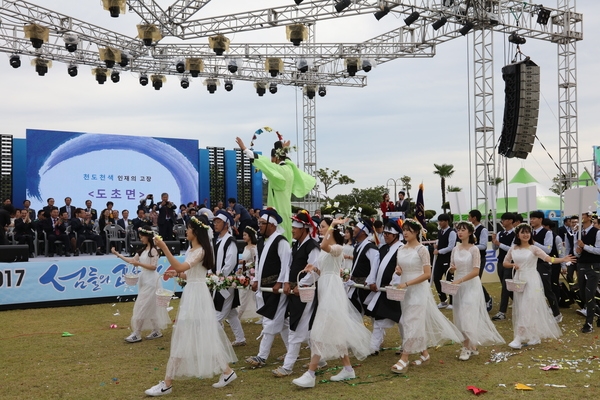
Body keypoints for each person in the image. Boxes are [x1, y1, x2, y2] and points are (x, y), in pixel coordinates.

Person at [145, 216, 238, 396]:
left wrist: (164, 248)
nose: (185, 231)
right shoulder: (193, 249)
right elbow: (188, 273)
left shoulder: (201, 250)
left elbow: (182, 267)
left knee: (185, 335)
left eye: (188, 228)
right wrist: (176, 274)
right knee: (203, 334)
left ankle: (167, 383)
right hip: (194, 294)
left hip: (197, 296)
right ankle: (227, 372)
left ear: (196, 231)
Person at [292, 217, 372, 388]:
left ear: (331, 229)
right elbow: (323, 270)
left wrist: (333, 225)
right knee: (335, 330)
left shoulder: (337, 248)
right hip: (324, 287)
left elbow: (323, 246)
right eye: (320, 227)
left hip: (332, 290)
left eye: (323, 227)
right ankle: (348, 369)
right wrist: (311, 270)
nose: (320, 230)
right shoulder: (326, 250)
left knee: (319, 330)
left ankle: (310, 374)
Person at [391, 219, 463, 374]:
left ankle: (404, 358)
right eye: (404, 230)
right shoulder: (401, 249)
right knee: (412, 321)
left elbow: (427, 274)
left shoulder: (422, 250)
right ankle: (424, 354)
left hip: (418, 290)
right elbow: (400, 269)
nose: (405, 233)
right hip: (405, 290)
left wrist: (407, 283)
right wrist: (398, 272)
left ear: (416, 232)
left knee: (411, 321)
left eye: (409, 230)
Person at [503, 223, 575, 348]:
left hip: (531, 280)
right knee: (521, 307)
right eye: (523, 232)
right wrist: (513, 265)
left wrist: (562, 259)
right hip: (519, 279)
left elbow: (549, 259)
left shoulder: (534, 248)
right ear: (518, 235)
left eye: (528, 232)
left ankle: (519, 338)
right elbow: (505, 262)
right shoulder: (513, 248)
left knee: (527, 307)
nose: (525, 235)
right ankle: (534, 336)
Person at [235, 136, 316, 242]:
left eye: (272, 158)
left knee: (277, 242)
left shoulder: (279, 170)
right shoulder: (290, 169)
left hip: (277, 211)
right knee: (287, 240)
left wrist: (245, 149)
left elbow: (264, 163)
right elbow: (284, 160)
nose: (271, 161)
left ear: (276, 157)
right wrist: (283, 149)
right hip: (286, 210)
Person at [449, 221, 505, 361]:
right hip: (458, 286)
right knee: (460, 315)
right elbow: (452, 266)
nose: (460, 232)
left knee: (468, 315)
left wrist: (460, 280)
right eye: (458, 230)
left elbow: (475, 271)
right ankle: (471, 344)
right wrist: (452, 269)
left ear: (470, 232)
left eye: (463, 230)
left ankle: (466, 347)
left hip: (471, 285)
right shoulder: (455, 249)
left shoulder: (474, 249)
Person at [274, 210, 320, 377]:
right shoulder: (296, 244)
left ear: (304, 229)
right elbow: (289, 265)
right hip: (295, 291)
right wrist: (287, 282)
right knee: (304, 329)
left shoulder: (312, 247)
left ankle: (288, 366)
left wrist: (300, 285)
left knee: (296, 327)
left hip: (306, 292)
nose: (292, 230)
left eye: (294, 227)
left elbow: (314, 271)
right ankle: (320, 360)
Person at [245, 208, 291, 368]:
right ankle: (293, 351)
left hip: (276, 289)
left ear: (271, 225)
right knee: (283, 323)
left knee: (270, 322)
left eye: (262, 224)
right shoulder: (263, 242)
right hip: (265, 288)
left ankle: (261, 356)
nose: (259, 226)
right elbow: (259, 263)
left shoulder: (281, 241)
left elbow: (286, 264)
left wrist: (281, 282)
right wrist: (256, 279)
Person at [111, 226, 170, 343]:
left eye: (142, 236)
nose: (141, 238)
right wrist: (117, 254)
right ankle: (156, 330)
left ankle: (137, 333)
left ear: (148, 237)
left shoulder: (153, 250)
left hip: (152, 281)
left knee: (141, 305)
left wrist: (139, 264)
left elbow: (153, 267)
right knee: (150, 306)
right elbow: (132, 261)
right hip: (144, 280)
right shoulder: (143, 251)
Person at [365, 220, 403, 356]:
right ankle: (373, 347)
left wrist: (394, 284)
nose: (385, 235)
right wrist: (372, 281)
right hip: (382, 290)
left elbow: (401, 269)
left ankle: (406, 345)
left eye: (389, 233)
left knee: (402, 319)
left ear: (396, 235)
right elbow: (375, 267)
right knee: (379, 318)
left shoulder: (401, 248)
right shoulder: (382, 249)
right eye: (385, 233)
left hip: (395, 289)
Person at [211, 210, 246, 347]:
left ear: (226, 224)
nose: (215, 224)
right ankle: (240, 338)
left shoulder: (230, 241)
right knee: (231, 313)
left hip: (225, 282)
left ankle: (218, 344)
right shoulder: (218, 240)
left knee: (216, 317)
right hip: (219, 280)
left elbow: (230, 262)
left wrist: (220, 277)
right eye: (215, 222)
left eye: (218, 222)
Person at [529, 211, 563, 322]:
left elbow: (548, 249)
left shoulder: (547, 233)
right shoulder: (529, 232)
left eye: (534, 218)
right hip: (531, 264)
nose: (532, 220)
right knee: (533, 290)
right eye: (531, 218)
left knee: (547, 289)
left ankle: (557, 313)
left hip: (543, 264)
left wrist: (534, 243)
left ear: (540, 219)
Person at [573, 211, 600, 333]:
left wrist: (584, 246)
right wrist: (578, 251)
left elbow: (598, 250)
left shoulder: (597, 232)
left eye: (582, 215)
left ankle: (588, 323)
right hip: (581, 265)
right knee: (583, 293)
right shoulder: (578, 233)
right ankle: (596, 310)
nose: (580, 218)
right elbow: (576, 251)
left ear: (589, 217)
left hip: (593, 266)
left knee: (590, 293)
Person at [347, 218, 379, 315]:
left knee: (372, 315)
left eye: (356, 227)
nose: (353, 229)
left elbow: (375, 265)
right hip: (356, 285)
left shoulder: (370, 248)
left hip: (365, 286)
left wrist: (371, 281)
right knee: (353, 313)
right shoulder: (358, 246)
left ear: (363, 232)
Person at [491, 212, 516, 321]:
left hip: (510, 263)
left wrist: (499, 244)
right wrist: (494, 242)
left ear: (510, 221)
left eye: (504, 220)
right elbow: (495, 248)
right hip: (500, 261)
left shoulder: (515, 234)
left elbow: (512, 249)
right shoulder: (501, 233)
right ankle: (519, 303)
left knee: (505, 288)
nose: (503, 222)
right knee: (506, 286)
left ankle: (502, 312)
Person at [468, 210, 492, 311]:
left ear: (474, 218)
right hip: (469, 259)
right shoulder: (469, 229)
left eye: (469, 217)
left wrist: (469, 248)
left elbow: (483, 245)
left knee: (475, 280)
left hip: (479, 258)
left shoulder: (482, 230)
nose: (468, 219)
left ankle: (487, 299)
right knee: (470, 281)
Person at [432, 213, 457, 309]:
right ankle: (443, 300)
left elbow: (451, 246)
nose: (440, 223)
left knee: (449, 279)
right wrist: (436, 246)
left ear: (446, 221)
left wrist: (439, 251)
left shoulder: (452, 232)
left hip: (448, 259)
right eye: (439, 221)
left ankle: (452, 301)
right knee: (436, 278)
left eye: (441, 221)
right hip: (439, 259)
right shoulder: (440, 231)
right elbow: (439, 241)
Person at [237, 226, 259, 321]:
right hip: (244, 272)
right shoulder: (246, 247)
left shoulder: (254, 248)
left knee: (245, 294)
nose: (244, 237)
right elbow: (245, 260)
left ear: (250, 236)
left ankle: (238, 315)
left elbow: (255, 261)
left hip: (250, 274)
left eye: (245, 235)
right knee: (242, 293)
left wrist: (246, 265)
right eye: (243, 235)